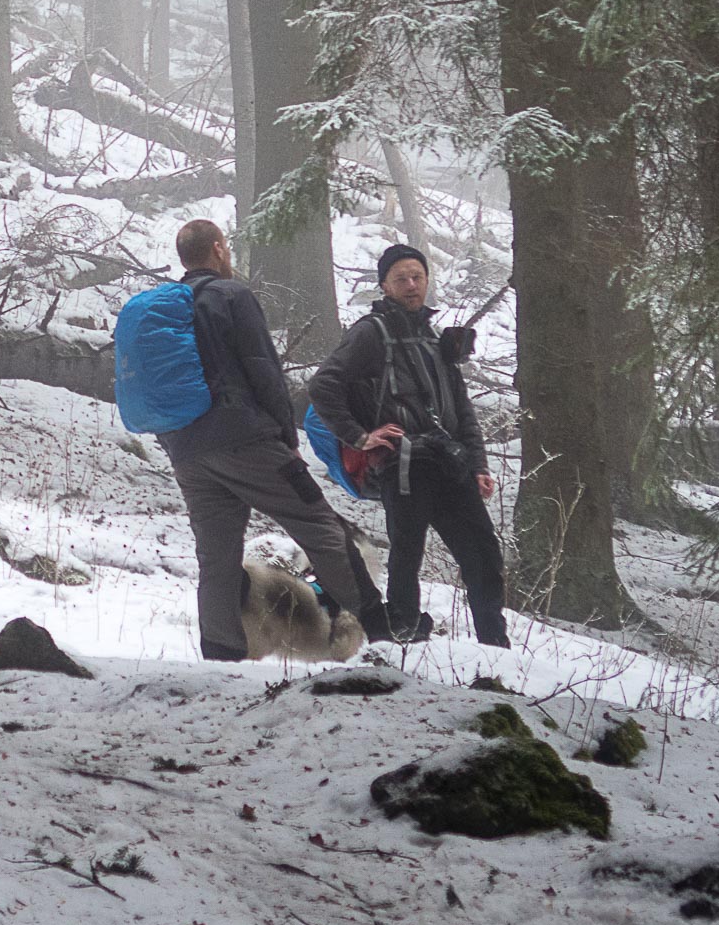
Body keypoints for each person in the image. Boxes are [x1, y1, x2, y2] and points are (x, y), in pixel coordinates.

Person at [153, 219, 394, 660]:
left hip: (188, 452)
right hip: (245, 441)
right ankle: (382, 631)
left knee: (217, 557)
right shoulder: (231, 295)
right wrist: (286, 436)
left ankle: (220, 655)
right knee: (321, 526)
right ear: (220, 250)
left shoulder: (171, 307)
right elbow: (262, 368)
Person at [307, 243, 510, 648]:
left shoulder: (435, 338)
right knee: (407, 555)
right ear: (384, 285)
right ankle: (402, 637)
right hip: (402, 466)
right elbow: (322, 385)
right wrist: (362, 438)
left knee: (484, 552)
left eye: (417, 276)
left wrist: (479, 464)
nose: (411, 285)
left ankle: (495, 645)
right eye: (401, 278)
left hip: (449, 464)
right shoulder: (370, 332)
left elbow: (460, 408)